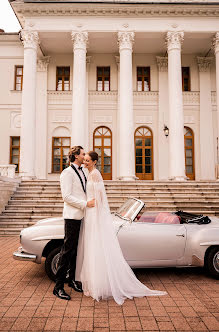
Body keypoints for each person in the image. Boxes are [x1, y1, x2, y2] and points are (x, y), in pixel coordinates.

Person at [76, 151, 167, 305]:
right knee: (91, 248)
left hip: (94, 215)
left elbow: (100, 199)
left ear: (95, 162)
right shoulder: (89, 173)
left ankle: (98, 286)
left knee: (96, 248)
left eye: (87, 161)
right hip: (89, 214)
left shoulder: (95, 175)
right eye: (84, 160)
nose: (85, 163)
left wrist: (97, 218)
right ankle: (92, 284)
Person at [53, 146, 95, 301]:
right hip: (72, 217)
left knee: (76, 251)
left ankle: (72, 280)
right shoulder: (67, 173)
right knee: (67, 251)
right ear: (76, 156)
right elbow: (67, 196)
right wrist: (85, 204)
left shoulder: (83, 171)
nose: (84, 156)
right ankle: (58, 287)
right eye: (83, 154)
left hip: (83, 216)